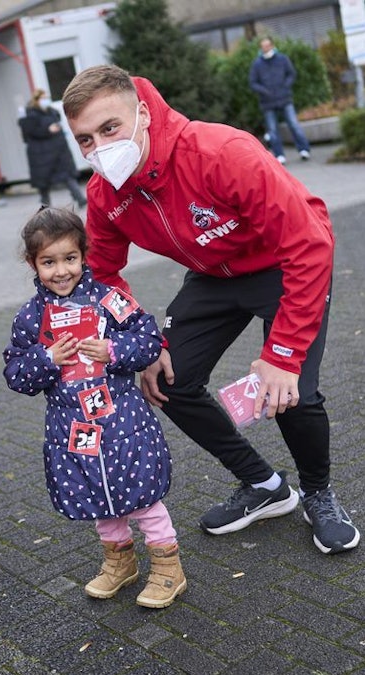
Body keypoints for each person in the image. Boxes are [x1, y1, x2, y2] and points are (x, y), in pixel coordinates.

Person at [61, 64, 358, 554]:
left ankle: (318, 493)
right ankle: (265, 487)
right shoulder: (105, 196)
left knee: (293, 391)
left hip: (284, 262)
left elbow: (309, 244)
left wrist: (282, 356)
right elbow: (105, 275)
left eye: (108, 128)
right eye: (85, 139)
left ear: (141, 113)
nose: (99, 148)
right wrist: (139, 338)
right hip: (214, 276)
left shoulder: (220, 152)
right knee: (166, 380)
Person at [3, 207, 185, 607]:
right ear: (33, 264)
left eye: (69, 258)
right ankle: (120, 563)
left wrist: (114, 349)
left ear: (84, 255)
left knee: (143, 497)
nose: (61, 270)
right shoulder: (30, 318)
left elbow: (149, 338)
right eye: (48, 262)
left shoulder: (109, 300)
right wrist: (47, 358)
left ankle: (168, 568)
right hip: (73, 426)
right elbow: (15, 374)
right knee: (97, 495)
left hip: (123, 422)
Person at [18, 88, 87, 208]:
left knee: (68, 176)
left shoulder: (53, 112)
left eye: (46, 98)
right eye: (43, 98)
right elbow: (30, 132)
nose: (46, 101)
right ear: (37, 100)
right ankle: (45, 206)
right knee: (43, 182)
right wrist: (47, 130)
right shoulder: (31, 115)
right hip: (42, 153)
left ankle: (80, 198)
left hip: (59, 150)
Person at [248, 37, 311, 165]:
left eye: (267, 45)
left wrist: (285, 86)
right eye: (263, 46)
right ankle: (279, 155)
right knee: (272, 130)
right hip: (268, 103)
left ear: (272, 46)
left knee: (294, 125)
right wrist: (264, 91)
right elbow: (253, 82)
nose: (266, 48)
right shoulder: (257, 64)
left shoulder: (282, 59)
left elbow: (291, 74)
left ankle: (304, 149)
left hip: (285, 99)